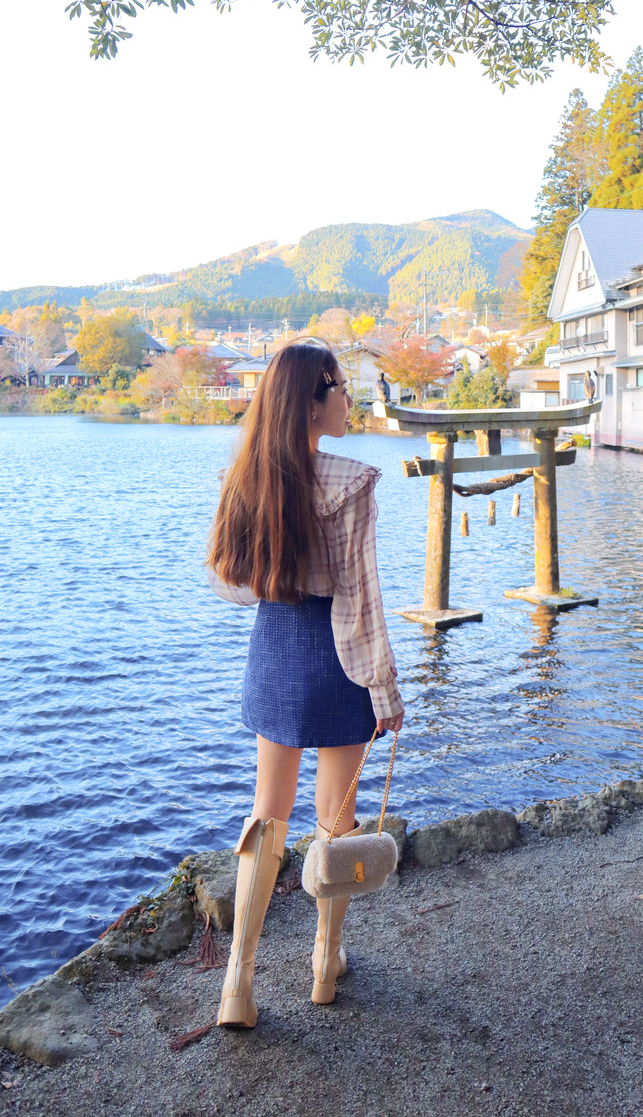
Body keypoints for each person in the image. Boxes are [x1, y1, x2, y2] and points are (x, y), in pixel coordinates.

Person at [206, 342, 404, 1028]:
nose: (350, 399)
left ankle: (238, 980)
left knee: (268, 813)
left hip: (275, 644)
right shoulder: (352, 480)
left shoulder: (251, 474)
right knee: (334, 817)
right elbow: (361, 601)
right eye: (342, 387)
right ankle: (325, 960)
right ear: (315, 399)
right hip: (339, 654)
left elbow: (229, 580)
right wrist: (385, 690)